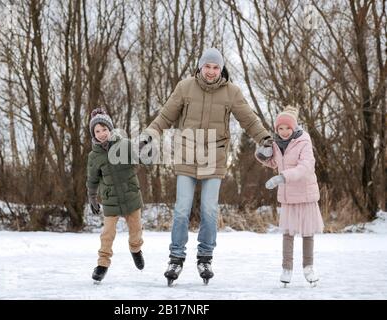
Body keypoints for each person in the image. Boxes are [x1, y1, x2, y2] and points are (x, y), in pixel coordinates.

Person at [142, 48, 272, 285]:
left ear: (221, 69)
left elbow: (249, 119)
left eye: (216, 67)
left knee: (209, 210)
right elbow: (166, 115)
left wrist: (265, 139)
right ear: (200, 67)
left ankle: (205, 257)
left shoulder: (231, 92)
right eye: (207, 66)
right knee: (182, 209)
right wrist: (150, 133)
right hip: (187, 154)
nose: (211, 71)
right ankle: (176, 257)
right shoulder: (185, 87)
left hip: (215, 155)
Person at [255, 105, 324, 287]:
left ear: (294, 128)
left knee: (307, 232)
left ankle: (308, 267)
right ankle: (287, 268)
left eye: (287, 128)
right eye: (280, 128)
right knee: (288, 233)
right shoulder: (277, 143)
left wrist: (282, 177)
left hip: (305, 194)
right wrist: (263, 153)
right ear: (276, 129)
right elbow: (273, 162)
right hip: (288, 196)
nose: (284, 132)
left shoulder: (304, 142)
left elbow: (306, 166)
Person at [87, 108, 144, 283]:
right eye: (97, 131)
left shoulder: (124, 144)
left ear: (111, 129)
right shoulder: (94, 156)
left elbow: (138, 160)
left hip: (130, 196)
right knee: (107, 233)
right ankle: (102, 264)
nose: (102, 134)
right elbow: (92, 179)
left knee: (136, 230)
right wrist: (92, 197)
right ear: (93, 134)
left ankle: (135, 249)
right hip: (110, 199)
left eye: (104, 129)